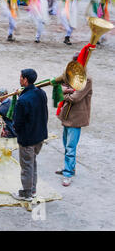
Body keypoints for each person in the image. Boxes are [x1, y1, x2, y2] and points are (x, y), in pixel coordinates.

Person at [56, 52, 92, 187]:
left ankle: (68, 173)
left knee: (70, 147)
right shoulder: (72, 78)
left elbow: (75, 98)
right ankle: (69, 167)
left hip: (76, 118)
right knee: (66, 145)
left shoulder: (87, 80)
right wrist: (66, 90)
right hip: (67, 116)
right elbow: (63, 88)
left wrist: (64, 91)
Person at [12, 69, 48, 202]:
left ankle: (26, 193)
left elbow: (18, 123)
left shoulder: (23, 100)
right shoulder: (41, 93)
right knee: (32, 162)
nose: (20, 79)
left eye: (21, 77)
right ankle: (32, 189)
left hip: (27, 139)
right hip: (39, 136)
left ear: (25, 80)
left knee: (27, 165)